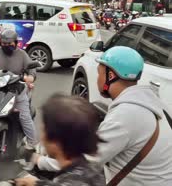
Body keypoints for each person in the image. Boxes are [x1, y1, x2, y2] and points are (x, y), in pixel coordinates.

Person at [34, 47, 172, 185]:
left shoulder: (126, 114)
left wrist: (39, 161)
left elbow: (84, 161)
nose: (98, 79)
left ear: (110, 76)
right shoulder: (153, 103)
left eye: (99, 73)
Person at [0, 94, 105, 186]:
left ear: (56, 143)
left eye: (44, 129)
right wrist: (37, 184)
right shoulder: (94, 171)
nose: (42, 136)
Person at [0, 29, 38, 149]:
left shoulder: (22, 54)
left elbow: (31, 68)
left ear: (15, 43)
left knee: (24, 116)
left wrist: (31, 76)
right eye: (4, 44)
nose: (6, 46)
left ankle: (32, 142)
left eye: (9, 44)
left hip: (16, 89)